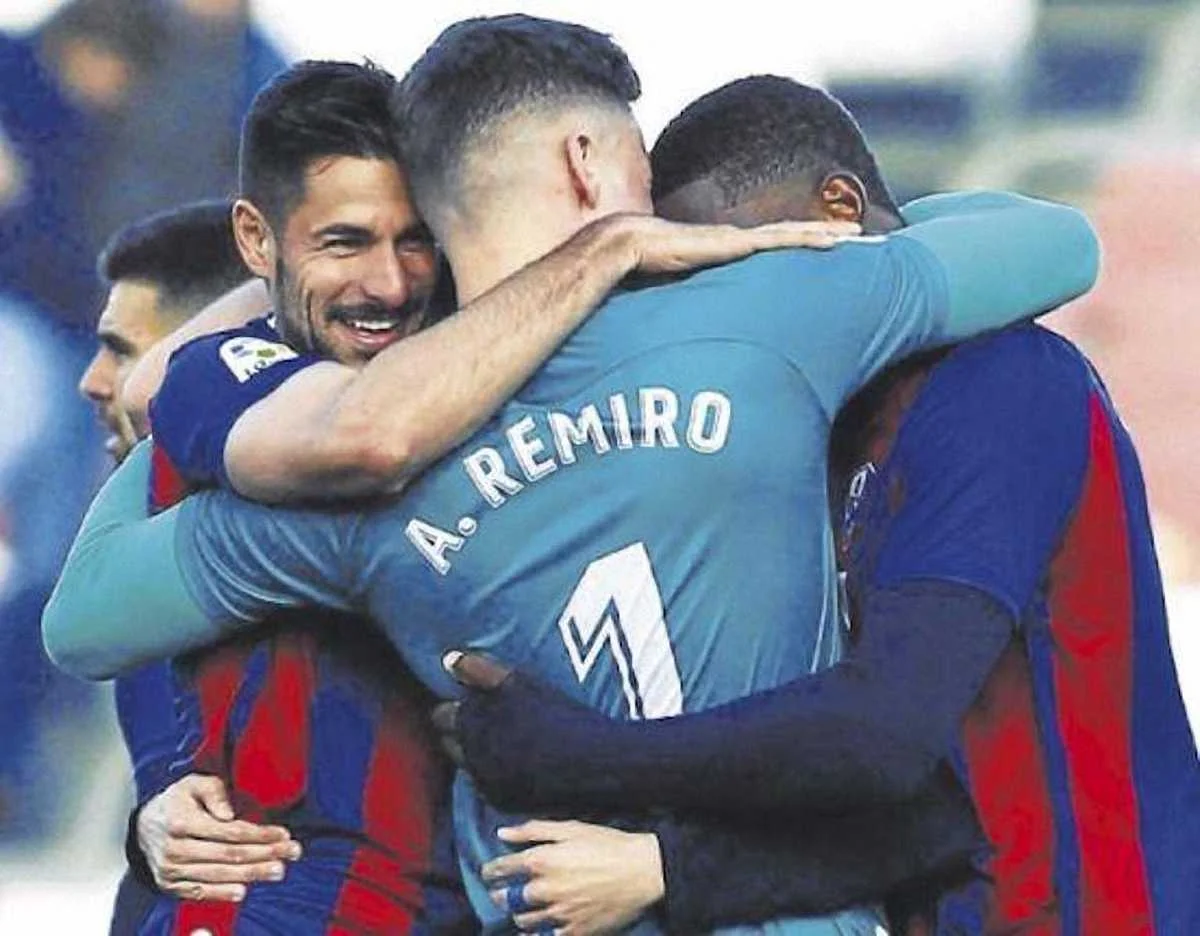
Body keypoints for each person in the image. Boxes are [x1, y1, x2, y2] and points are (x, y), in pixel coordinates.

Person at [43, 16, 1099, 935]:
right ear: (588, 164)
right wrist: (788, 250)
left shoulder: (344, 491)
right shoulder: (772, 316)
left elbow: (88, 617)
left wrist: (237, 327)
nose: (662, 208)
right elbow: (1055, 241)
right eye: (643, 172)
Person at [436, 77, 1200, 935]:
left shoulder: (1001, 382)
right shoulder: (818, 429)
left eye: (734, 262)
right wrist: (671, 867)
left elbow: (886, 737)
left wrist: (579, 756)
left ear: (838, 209)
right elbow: (935, 806)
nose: (720, 307)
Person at [106, 58, 834, 935]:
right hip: (284, 903)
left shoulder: (504, 360)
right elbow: (133, 583)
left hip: (478, 902)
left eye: (418, 240)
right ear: (259, 242)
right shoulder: (232, 379)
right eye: (343, 241)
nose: (389, 283)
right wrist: (161, 778)